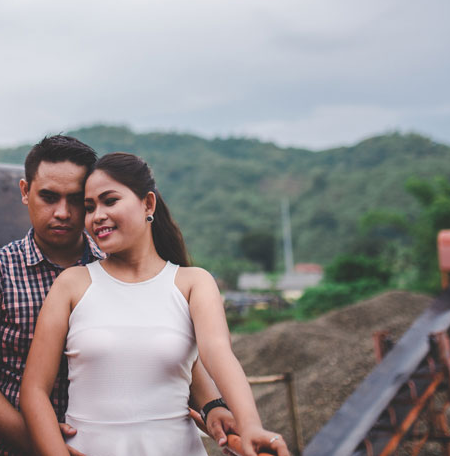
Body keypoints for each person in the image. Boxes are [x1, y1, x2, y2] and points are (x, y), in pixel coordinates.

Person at [0, 136, 236, 456]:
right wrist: (40, 441)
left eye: (76, 201)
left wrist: (213, 405)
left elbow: (169, 350)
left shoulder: (120, 265)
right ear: (25, 192)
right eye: (48, 197)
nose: (63, 212)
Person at [21, 152, 289, 456]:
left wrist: (249, 423)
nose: (97, 216)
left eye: (110, 201)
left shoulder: (192, 283)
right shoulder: (72, 284)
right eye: (89, 207)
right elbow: (33, 391)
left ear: (148, 204)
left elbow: (217, 353)